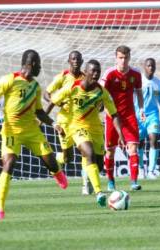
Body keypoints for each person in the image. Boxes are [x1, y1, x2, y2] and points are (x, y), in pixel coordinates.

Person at [0, 49, 68, 220]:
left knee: (52, 164)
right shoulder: (9, 79)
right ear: (32, 64)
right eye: (39, 64)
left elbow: (39, 112)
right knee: (9, 164)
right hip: (11, 132)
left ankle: (57, 172)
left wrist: (53, 123)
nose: (40, 68)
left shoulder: (35, 87)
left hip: (32, 131)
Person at [51, 59, 125, 207]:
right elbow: (52, 100)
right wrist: (48, 121)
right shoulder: (72, 86)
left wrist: (121, 135)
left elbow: (114, 114)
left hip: (96, 128)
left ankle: (83, 175)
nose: (96, 74)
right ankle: (99, 193)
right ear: (86, 72)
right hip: (76, 126)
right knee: (88, 153)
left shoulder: (101, 91)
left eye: (98, 71)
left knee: (97, 164)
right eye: (93, 71)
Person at [44, 51, 93, 195]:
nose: (76, 61)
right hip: (64, 122)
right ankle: (54, 159)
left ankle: (86, 184)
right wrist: (57, 102)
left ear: (82, 61)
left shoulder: (85, 77)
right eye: (73, 59)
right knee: (68, 158)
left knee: (85, 151)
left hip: (80, 121)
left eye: (78, 59)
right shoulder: (62, 77)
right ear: (69, 61)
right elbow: (46, 93)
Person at [101, 45, 145, 191]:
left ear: (129, 58)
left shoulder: (136, 74)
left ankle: (133, 182)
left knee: (133, 148)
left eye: (125, 58)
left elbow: (139, 93)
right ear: (116, 58)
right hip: (112, 117)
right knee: (110, 151)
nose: (123, 61)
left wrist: (142, 109)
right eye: (120, 58)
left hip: (129, 116)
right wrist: (105, 109)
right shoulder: (109, 74)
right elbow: (100, 92)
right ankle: (111, 181)